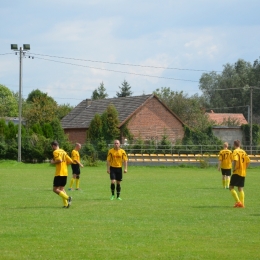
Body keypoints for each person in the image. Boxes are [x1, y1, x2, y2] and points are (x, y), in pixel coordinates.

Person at [50, 140, 73, 208]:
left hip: (59, 173)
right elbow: (71, 161)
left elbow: (59, 160)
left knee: (55, 189)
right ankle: (66, 204)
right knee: (62, 188)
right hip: (65, 172)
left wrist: (53, 162)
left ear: (54, 146)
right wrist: (65, 165)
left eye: (52, 147)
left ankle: (68, 197)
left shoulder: (55, 152)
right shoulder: (63, 151)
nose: (52, 148)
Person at [229, 140, 250, 208]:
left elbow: (235, 159)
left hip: (237, 171)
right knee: (240, 188)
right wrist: (245, 168)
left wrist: (234, 168)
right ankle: (242, 204)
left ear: (234, 145)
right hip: (243, 172)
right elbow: (248, 161)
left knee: (231, 187)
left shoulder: (235, 151)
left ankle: (238, 202)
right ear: (239, 144)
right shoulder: (243, 151)